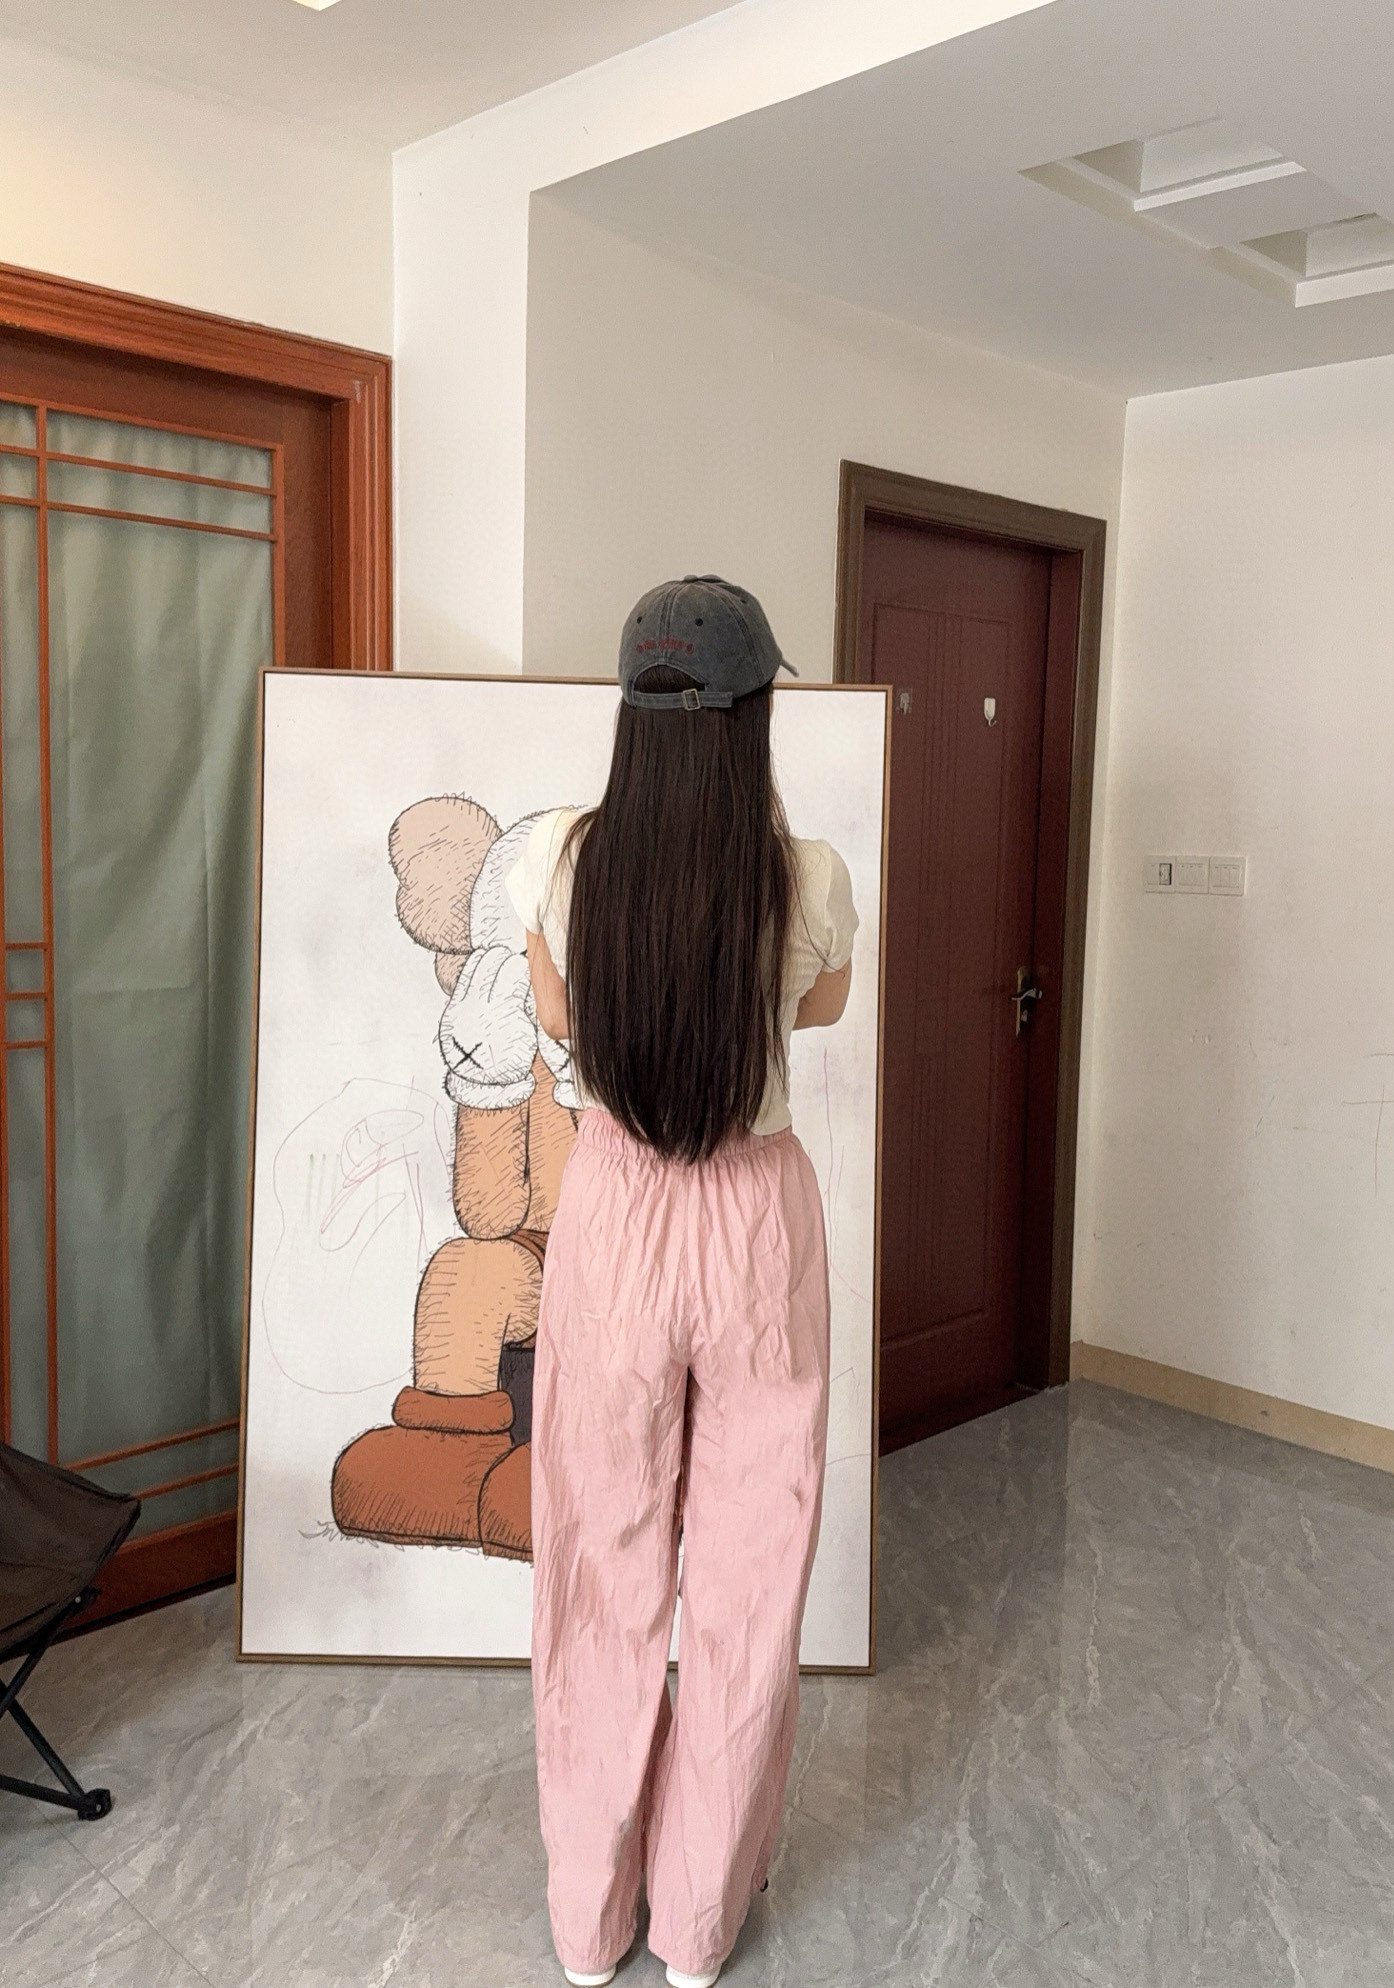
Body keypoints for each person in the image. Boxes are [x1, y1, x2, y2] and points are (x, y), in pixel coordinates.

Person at [505, 576, 857, 1988]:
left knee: (602, 1560)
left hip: (616, 1209)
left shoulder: (558, 856)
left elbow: (557, 1011)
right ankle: (698, 1927)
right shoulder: (807, 875)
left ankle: (590, 1926)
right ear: (755, 712)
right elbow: (819, 1003)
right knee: (750, 1576)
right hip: (756, 1218)